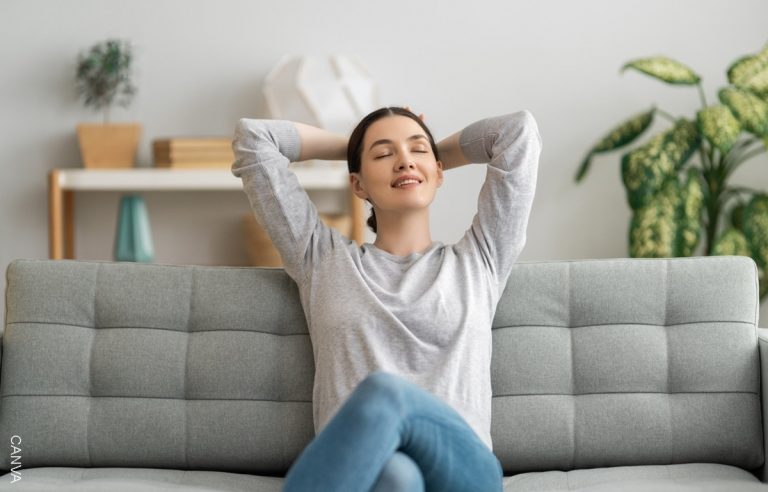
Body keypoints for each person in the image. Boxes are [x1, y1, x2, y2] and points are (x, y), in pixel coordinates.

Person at [231, 105, 541, 492]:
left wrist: (428, 150)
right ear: (357, 185)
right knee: (397, 475)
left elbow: (516, 132)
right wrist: (355, 145)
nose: (404, 162)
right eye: (383, 154)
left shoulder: (482, 258)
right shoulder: (322, 261)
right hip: (368, 471)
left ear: (439, 170)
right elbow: (255, 140)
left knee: (386, 392)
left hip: (464, 470)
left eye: (417, 151)